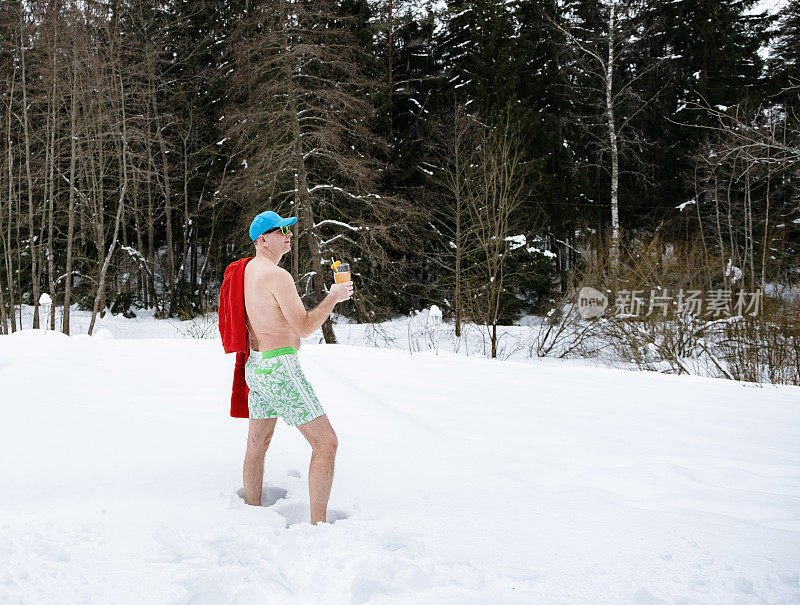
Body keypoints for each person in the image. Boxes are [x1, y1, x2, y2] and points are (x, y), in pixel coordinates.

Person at [241, 210, 353, 525]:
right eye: (281, 230)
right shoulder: (278, 276)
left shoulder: (249, 269)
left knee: (257, 442)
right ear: (262, 239)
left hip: (256, 365)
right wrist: (333, 297)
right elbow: (304, 327)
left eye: (290, 229)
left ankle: (251, 513)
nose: (289, 234)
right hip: (279, 368)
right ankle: (318, 524)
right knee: (326, 441)